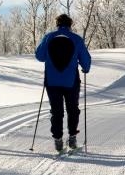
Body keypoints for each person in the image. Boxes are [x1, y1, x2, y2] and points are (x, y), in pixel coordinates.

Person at [35, 14, 91, 152]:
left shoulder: (49, 37)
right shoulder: (76, 39)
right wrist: (85, 68)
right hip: (71, 81)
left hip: (52, 81)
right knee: (72, 109)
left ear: (57, 24)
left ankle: (58, 140)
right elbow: (86, 60)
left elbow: (39, 56)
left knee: (56, 111)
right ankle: (72, 138)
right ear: (70, 25)